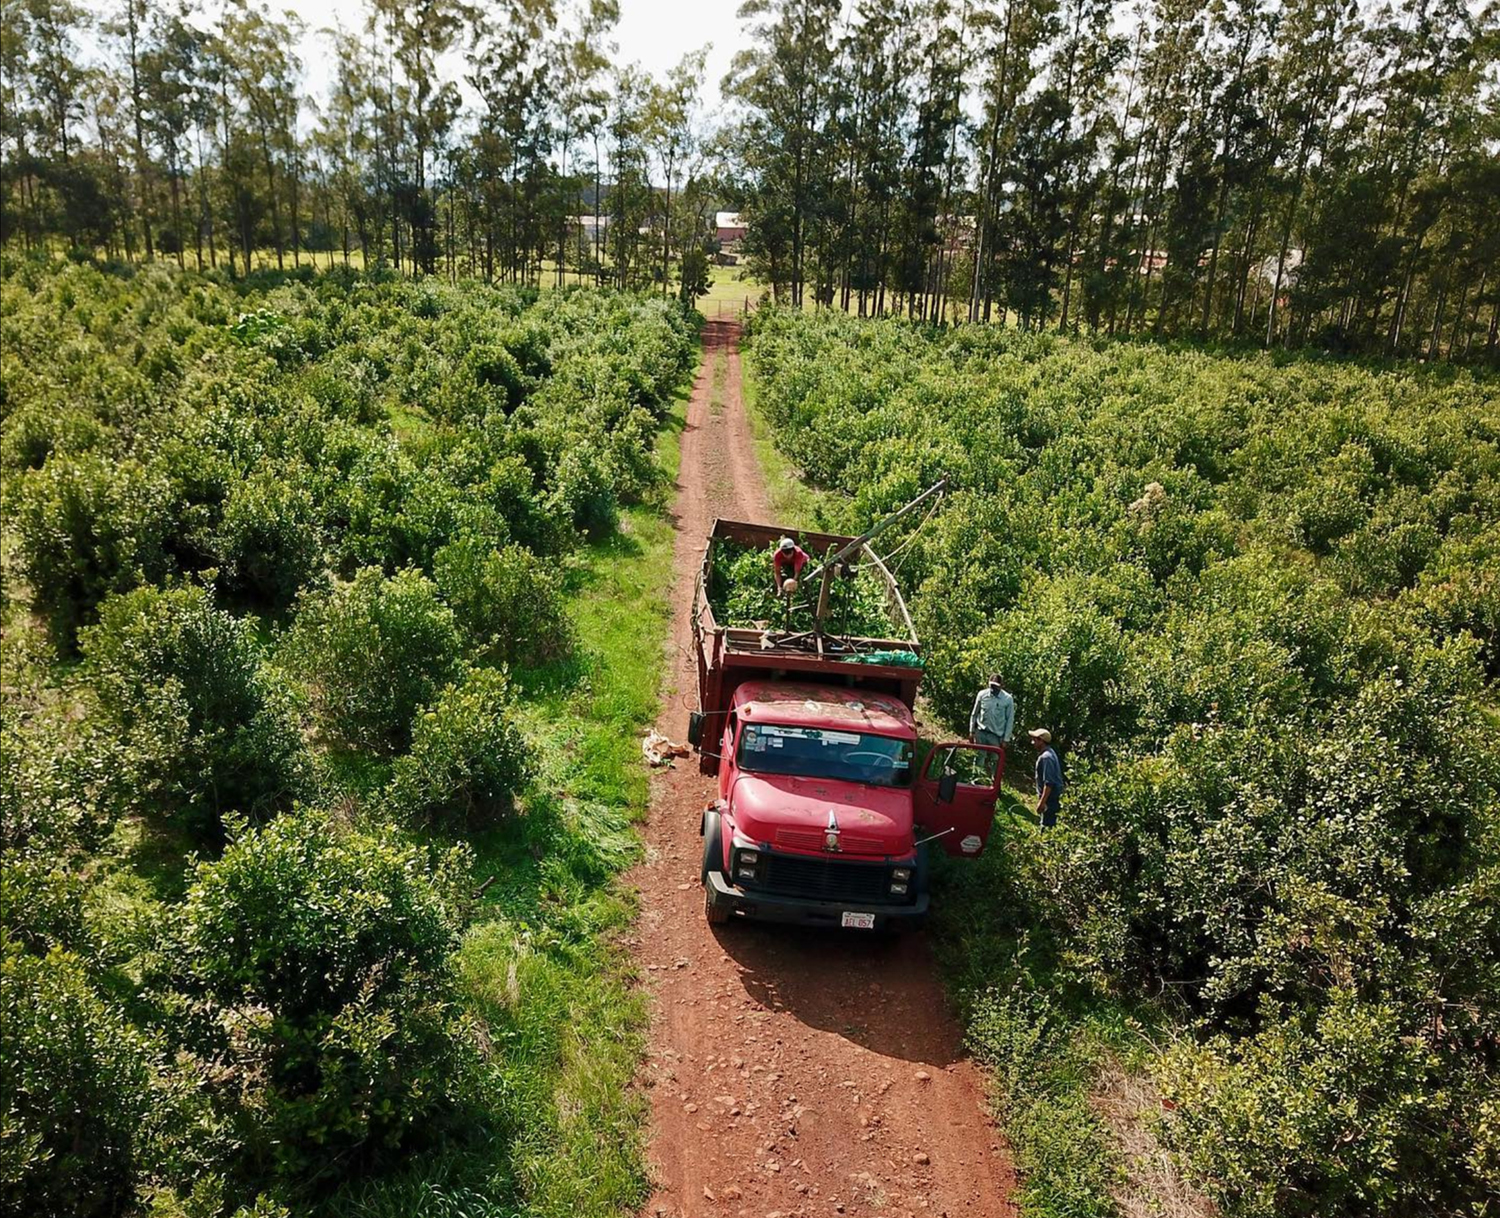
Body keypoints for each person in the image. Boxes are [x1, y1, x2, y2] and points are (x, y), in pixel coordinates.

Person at [1029, 728, 1063, 828]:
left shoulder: (1046, 757)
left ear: (1041, 741)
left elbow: (1049, 783)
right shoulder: (1050, 752)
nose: (1032, 743)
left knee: (1046, 827)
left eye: (1035, 740)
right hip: (1051, 799)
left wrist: (1042, 803)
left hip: (1051, 800)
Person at [969, 674, 1015, 747]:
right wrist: (971, 731)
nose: (993, 687)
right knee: (979, 757)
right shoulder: (982, 694)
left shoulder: (1007, 699)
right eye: (992, 685)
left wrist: (1006, 739)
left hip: (996, 736)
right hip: (981, 732)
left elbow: (1010, 719)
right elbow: (974, 714)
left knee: (995, 757)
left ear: (1001, 685)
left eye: (996, 685)